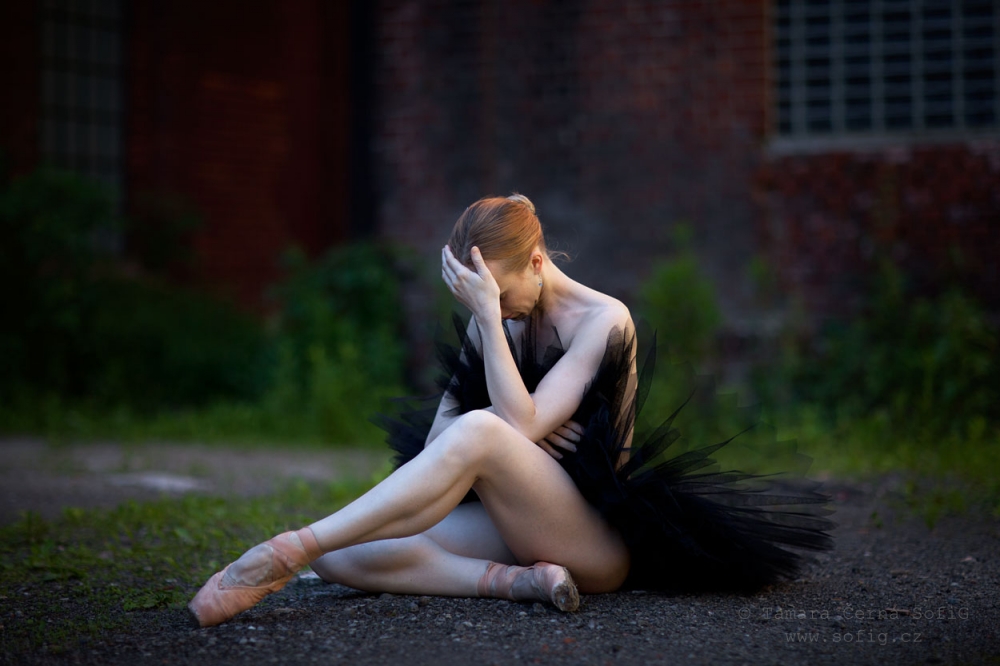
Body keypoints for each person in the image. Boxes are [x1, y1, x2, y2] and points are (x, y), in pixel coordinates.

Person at [188, 194, 833, 628]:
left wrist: (495, 356)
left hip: (592, 538)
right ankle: (511, 582)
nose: (491, 307)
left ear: (537, 261)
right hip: (516, 524)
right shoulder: (495, 316)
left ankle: (285, 552)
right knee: (343, 557)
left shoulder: (605, 320)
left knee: (483, 429)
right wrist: (501, 381)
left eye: (498, 293)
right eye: (481, 297)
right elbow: (440, 445)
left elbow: (510, 426)